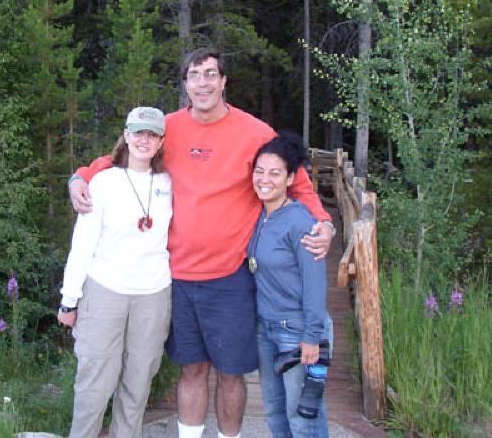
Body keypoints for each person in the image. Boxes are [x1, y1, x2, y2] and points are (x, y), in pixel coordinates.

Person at [69, 48, 334, 438]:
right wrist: (79, 177)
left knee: (230, 374)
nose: (203, 82)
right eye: (195, 75)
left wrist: (324, 222)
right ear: (186, 84)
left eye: (211, 74)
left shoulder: (256, 132)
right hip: (175, 277)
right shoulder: (169, 127)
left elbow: (298, 182)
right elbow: (119, 156)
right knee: (191, 369)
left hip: (230, 277)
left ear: (224, 81)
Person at [58, 106, 173, 438]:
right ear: (125, 136)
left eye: (152, 134)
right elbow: (82, 245)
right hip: (104, 291)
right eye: (138, 132)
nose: (144, 140)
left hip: (153, 295)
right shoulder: (104, 181)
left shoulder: (169, 182)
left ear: (161, 141)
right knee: (95, 384)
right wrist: (69, 300)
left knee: (138, 384)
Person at [249, 133, 333, 438]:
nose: (264, 179)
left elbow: (315, 282)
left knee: (303, 418)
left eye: (274, 173)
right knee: (274, 411)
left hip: (298, 333)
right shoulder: (261, 215)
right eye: (259, 171)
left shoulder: (300, 221)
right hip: (266, 330)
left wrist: (312, 336)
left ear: (290, 179)